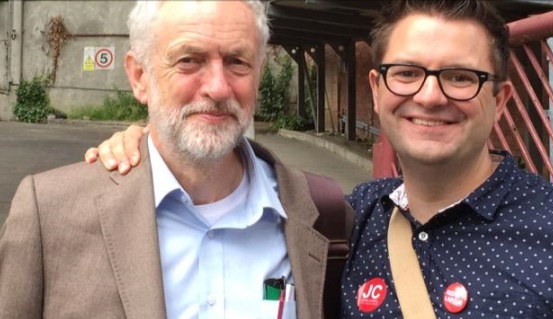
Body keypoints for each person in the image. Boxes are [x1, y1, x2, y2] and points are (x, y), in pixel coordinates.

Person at [84, 0, 553, 318]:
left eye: (460, 77)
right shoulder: (340, 220)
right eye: (407, 73)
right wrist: (148, 140)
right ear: (378, 90)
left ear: (499, 100)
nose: (430, 96)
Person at [0, 1, 352, 318]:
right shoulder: (50, 214)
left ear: (258, 75)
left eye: (237, 62)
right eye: (188, 60)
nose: (217, 87)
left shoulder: (322, 215)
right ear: (140, 77)